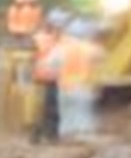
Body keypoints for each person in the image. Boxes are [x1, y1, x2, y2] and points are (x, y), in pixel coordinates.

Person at [56, 19, 105, 139]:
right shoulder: (92, 48)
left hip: (64, 87)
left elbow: (52, 64)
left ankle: (66, 138)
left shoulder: (61, 47)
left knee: (66, 117)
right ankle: (82, 139)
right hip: (83, 87)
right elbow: (103, 60)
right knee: (83, 116)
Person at [30, 10, 66, 144]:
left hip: (49, 77)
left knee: (46, 108)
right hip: (44, 78)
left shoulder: (51, 38)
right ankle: (48, 136)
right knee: (48, 108)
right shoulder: (43, 39)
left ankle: (42, 135)